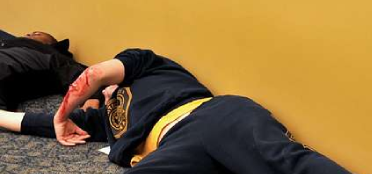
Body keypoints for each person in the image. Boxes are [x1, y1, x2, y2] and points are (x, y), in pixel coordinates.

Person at [0, 48, 352, 173]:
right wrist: (61, 122)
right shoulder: (104, 119)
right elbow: (32, 122)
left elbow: (95, 74)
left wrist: (63, 112)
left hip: (209, 117)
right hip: (173, 150)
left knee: (283, 160)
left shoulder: (144, 65)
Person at [0, 30, 98, 111]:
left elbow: (75, 72)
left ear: (50, 44)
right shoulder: (9, 44)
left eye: (37, 34)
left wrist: (93, 97)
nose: (29, 34)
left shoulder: (49, 54)